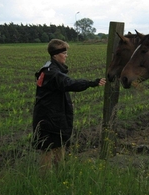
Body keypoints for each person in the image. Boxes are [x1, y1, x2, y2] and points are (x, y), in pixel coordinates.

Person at [32, 39, 106, 172]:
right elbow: (69, 83)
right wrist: (91, 83)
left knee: (59, 146)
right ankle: (44, 181)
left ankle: (60, 174)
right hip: (49, 119)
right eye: (64, 53)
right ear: (56, 55)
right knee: (47, 150)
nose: (66, 55)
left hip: (52, 116)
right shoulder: (52, 73)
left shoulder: (48, 68)